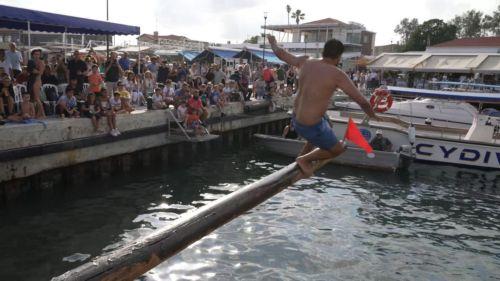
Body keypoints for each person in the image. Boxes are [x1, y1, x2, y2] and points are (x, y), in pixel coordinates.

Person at [267, 34, 379, 178]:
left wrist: (273, 42)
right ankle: (304, 159)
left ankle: (305, 151)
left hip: (295, 119)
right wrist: (372, 115)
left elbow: (281, 54)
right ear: (338, 57)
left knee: (328, 123)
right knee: (338, 149)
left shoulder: (306, 61)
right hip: (310, 125)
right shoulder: (337, 74)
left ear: (323, 52)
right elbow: (362, 101)